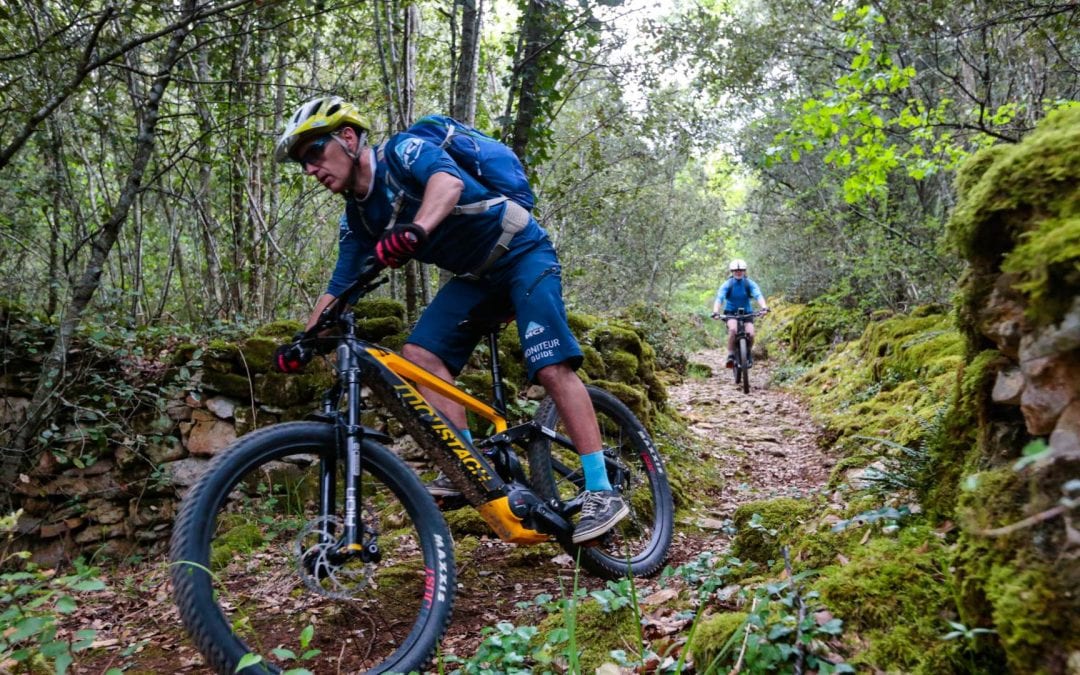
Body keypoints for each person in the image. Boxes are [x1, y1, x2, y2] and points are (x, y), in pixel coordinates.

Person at [270, 96, 627, 544]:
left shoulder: (403, 152)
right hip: (477, 278)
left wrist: (416, 229)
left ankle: (601, 490)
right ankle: (470, 465)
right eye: (303, 163)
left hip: (522, 252)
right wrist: (303, 340)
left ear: (346, 138)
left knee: (551, 367)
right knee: (420, 354)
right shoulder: (359, 218)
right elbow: (339, 286)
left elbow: (447, 184)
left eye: (315, 153)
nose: (311, 169)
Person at [711, 259, 769, 367]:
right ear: (732, 272)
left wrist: (764, 307)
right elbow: (720, 298)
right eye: (736, 270)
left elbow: (758, 295)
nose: (738, 272)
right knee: (733, 330)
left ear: (744, 271)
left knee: (751, 334)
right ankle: (731, 355)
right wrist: (715, 311)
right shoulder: (727, 284)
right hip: (731, 313)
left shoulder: (749, 283)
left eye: (741, 270)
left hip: (747, 313)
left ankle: (748, 353)